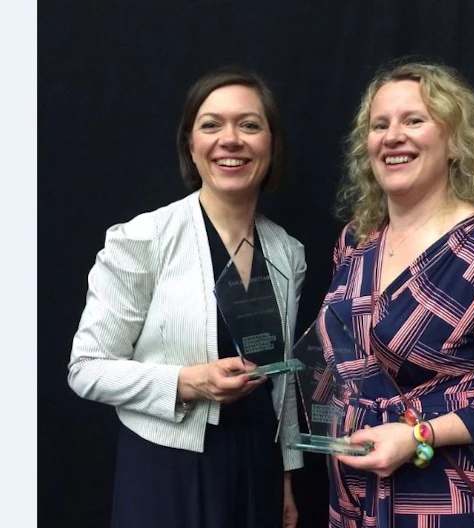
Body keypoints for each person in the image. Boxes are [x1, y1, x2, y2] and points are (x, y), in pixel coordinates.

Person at [321, 61, 474, 527]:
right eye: (380, 125)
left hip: (445, 501)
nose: (393, 136)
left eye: (414, 120)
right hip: (354, 498)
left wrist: (417, 434)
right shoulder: (356, 242)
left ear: (454, 142)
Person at [67, 66, 304, 528]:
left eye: (249, 125)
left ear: (271, 145)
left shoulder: (288, 252)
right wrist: (186, 383)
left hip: (259, 466)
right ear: (190, 145)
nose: (230, 139)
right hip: (167, 470)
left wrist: (288, 475)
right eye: (211, 124)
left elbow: (286, 377)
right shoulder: (145, 239)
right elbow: (85, 369)